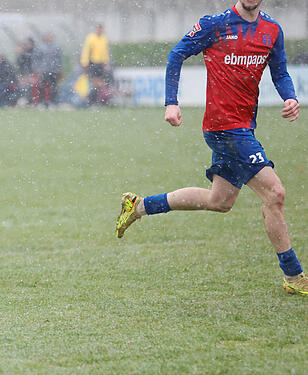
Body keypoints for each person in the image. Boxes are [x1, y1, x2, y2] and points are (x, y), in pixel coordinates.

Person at [116, 0, 307, 296]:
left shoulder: (272, 30)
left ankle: (139, 206)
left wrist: (290, 97)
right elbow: (177, 53)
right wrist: (171, 102)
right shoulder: (215, 25)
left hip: (243, 126)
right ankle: (294, 275)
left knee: (220, 201)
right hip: (224, 128)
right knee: (275, 193)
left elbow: (280, 72)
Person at [80, 23, 111, 106]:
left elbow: (106, 52)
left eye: (101, 29)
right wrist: (84, 63)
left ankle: (99, 101)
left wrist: (106, 62)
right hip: (93, 63)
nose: (99, 30)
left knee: (101, 84)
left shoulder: (104, 38)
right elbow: (86, 51)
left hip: (101, 63)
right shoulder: (91, 38)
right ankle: (91, 101)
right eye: (98, 28)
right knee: (94, 84)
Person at [36, 33, 62, 107]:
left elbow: (59, 59)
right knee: (41, 86)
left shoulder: (56, 47)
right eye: (47, 36)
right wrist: (38, 68)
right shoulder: (40, 47)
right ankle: (42, 102)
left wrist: (58, 69)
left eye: (50, 36)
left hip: (53, 70)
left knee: (53, 87)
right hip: (43, 70)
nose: (49, 38)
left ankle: (53, 102)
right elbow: (37, 59)